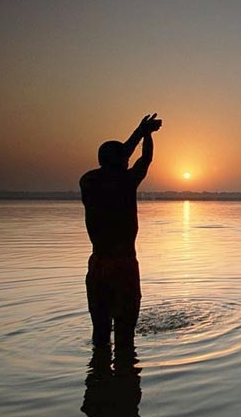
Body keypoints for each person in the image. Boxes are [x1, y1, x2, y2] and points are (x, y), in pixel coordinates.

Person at [80, 113, 162, 349]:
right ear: (121, 161)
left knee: (100, 334)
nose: (128, 160)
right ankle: (124, 380)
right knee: (125, 337)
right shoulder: (127, 181)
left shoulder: (88, 181)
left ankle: (99, 380)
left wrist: (139, 132)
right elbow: (145, 159)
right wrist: (145, 135)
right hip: (124, 266)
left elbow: (119, 156)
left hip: (98, 265)